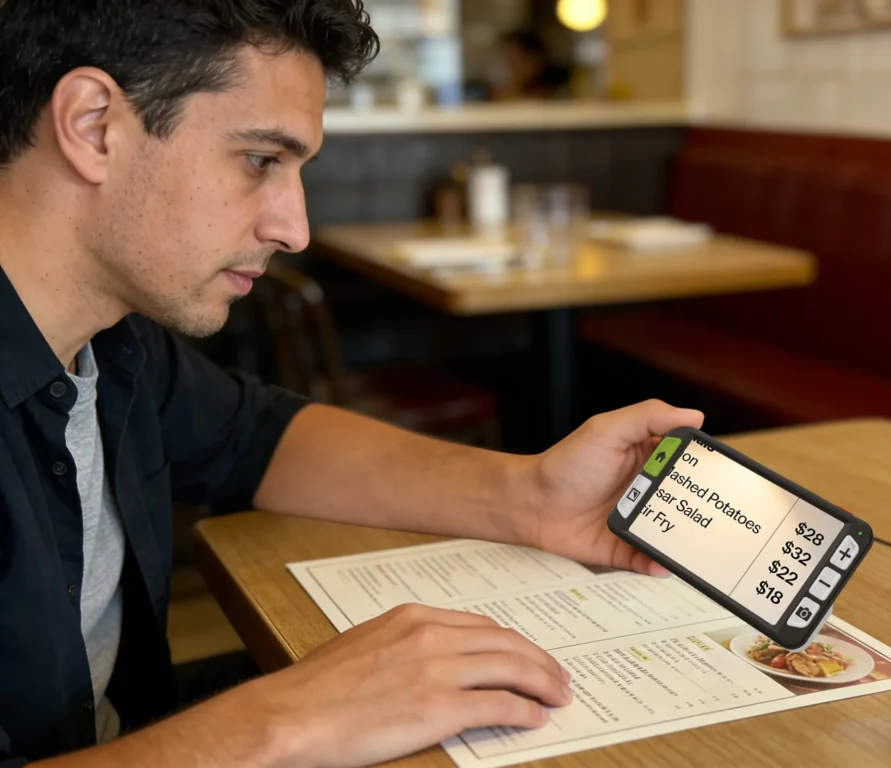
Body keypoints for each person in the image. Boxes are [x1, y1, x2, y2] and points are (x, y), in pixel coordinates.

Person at [0, 2, 703, 766]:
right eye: (260, 160)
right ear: (94, 124)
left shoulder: (117, 341)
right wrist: (289, 718)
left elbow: (255, 438)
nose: (294, 228)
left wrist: (530, 496)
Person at [493, 29, 573, 101]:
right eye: (507, 58)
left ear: (534, 60)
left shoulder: (559, 93)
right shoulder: (501, 94)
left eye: (516, 59)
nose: (510, 65)